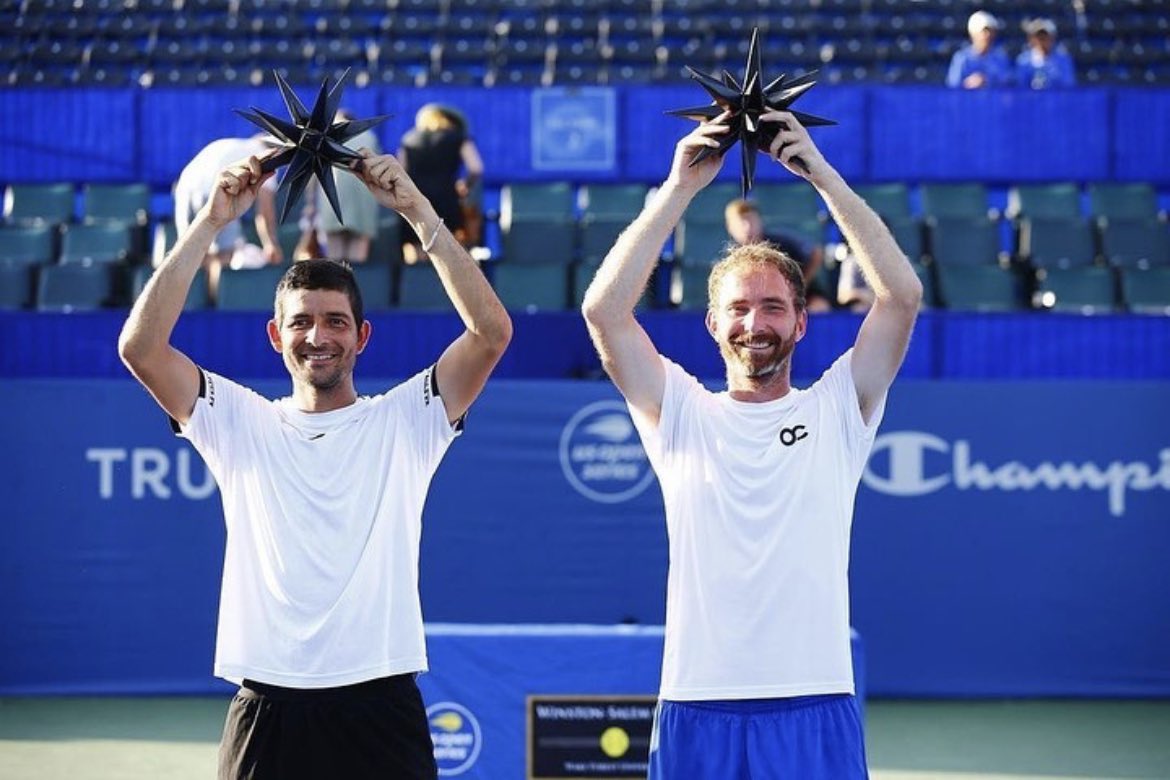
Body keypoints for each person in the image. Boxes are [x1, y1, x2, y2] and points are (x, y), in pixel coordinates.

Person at [119, 147, 512, 779]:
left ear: (361, 336)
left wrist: (414, 208)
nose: (318, 336)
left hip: (380, 706)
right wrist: (211, 223)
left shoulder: (405, 420)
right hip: (267, 706)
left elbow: (490, 332)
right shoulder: (239, 420)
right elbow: (139, 347)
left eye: (335, 321)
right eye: (301, 323)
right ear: (276, 336)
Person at [581, 111, 922, 778]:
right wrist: (678, 189)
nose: (755, 324)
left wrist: (819, 176)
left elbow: (901, 297)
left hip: (813, 701)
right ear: (713, 323)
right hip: (695, 703)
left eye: (772, 309)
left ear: (801, 323)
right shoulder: (677, 409)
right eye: (739, 309)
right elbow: (603, 312)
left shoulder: (838, 406)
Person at [172, 135, 283, 296]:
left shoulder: (230, 145)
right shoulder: (266, 159)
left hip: (184, 191)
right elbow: (264, 211)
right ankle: (215, 310)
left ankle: (188, 307)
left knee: (191, 253)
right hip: (214, 193)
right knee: (222, 257)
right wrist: (271, 244)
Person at [398, 103, 484, 262]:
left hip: (415, 200)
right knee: (448, 250)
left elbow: (400, 172)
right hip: (447, 200)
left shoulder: (409, 139)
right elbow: (476, 168)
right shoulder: (458, 137)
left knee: (416, 248)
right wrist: (466, 185)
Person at [724, 197, 832, 312]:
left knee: (820, 308)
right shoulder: (730, 260)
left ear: (760, 221)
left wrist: (801, 286)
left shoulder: (781, 242)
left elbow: (817, 253)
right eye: (741, 222)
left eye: (751, 220)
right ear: (730, 227)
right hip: (761, 304)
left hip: (804, 298)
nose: (747, 227)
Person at [313, 109, 383, 263]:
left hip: (332, 202)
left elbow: (312, 175)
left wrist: (311, 205)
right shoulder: (369, 137)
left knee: (334, 257)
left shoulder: (324, 138)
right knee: (358, 259)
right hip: (363, 203)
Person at [946, 10, 1012, 89]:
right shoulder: (961, 58)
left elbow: (1008, 83)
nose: (988, 35)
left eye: (991, 31)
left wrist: (987, 81)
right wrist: (968, 83)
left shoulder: (1001, 58)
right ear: (973, 33)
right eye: (984, 31)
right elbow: (952, 84)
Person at [1016, 17, 1077, 89]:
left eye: (1045, 37)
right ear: (1031, 39)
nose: (1042, 41)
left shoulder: (1064, 60)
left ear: (1052, 38)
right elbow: (1020, 88)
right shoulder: (1024, 61)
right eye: (1039, 37)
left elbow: (1068, 85)